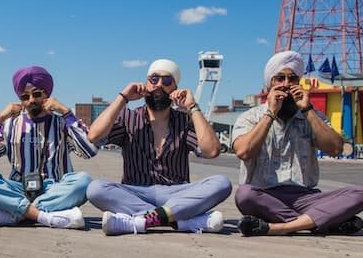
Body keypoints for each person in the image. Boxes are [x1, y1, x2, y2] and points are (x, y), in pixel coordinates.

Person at [86, 59, 232, 235]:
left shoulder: (184, 121)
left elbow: (212, 151)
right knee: (95, 189)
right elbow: (94, 135)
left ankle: (143, 221)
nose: (159, 85)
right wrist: (123, 98)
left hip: (177, 192)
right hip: (136, 192)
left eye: (167, 81)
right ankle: (181, 221)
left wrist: (192, 107)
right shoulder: (128, 117)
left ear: (175, 88)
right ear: (147, 83)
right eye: (154, 79)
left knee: (222, 183)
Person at [232, 50, 363, 236]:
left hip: (306, 197)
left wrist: (307, 109)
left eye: (292, 79)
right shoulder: (250, 117)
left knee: (359, 193)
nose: (286, 85)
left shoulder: (312, 115)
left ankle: (280, 227)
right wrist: (270, 113)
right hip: (264, 196)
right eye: (280, 79)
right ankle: (322, 220)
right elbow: (244, 152)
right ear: (269, 83)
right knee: (244, 195)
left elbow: (335, 148)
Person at [0, 66, 98, 229]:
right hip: (19, 188)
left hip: (55, 189)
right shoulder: (10, 125)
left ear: (47, 95)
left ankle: (16, 213)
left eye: (36, 94)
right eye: (24, 96)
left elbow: (89, 150)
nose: (31, 101)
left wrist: (66, 112)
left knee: (84, 181)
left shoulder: (62, 123)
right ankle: (43, 215)